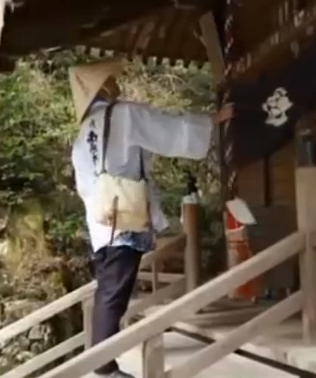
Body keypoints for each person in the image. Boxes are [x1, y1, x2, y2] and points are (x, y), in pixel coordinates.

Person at [69, 60, 235, 378]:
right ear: (103, 88)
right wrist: (213, 120)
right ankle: (103, 367)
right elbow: (165, 127)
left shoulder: (83, 135)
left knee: (110, 289)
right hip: (124, 218)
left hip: (101, 222)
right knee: (113, 293)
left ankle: (102, 362)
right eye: (111, 81)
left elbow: (84, 187)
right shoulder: (123, 114)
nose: (116, 84)